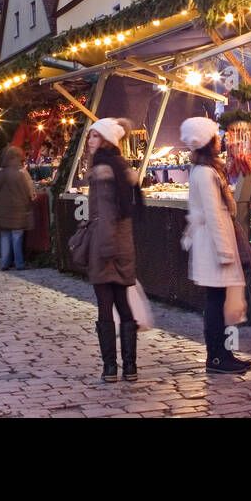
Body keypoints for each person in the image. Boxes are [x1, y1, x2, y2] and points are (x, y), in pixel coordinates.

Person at [181, 117, 251, 375]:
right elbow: (212, 214)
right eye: (216, 136)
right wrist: (225, 251)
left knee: (217, 300)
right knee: (215, 301)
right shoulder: (206, 173)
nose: (220, 139)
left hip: (211, 244)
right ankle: (217, 357)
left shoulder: (206, 171)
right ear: (208, 141)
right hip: (213, 246)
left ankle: (222, 353)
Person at [83, 118, 141, 382]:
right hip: (124, 245)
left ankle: (110, 368)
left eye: (94, 136)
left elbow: (105, 214)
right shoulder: (122, 168)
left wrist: (103, 249)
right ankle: (130, 367)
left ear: (106, 140)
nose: (90, 141)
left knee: (105, 305)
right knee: (123, 304)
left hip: (105, 246)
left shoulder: (101, 170)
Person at [0, 145, 34, 270]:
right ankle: (19, 263)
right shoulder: (21, 173)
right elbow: (28, 192)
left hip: (3, 211)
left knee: (5, 237)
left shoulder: (0, 173)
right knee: (17, 237)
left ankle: (4, 263)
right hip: (18, 210)